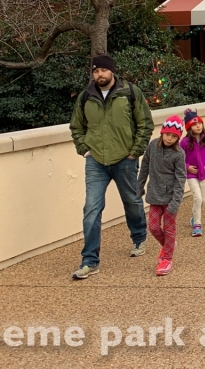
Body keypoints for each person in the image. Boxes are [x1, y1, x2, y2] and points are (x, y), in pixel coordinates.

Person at [69, 54, 153, 280]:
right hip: (95, 160)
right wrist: (84, 150)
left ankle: (139, 237)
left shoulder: (130, 92)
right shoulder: (86, 96)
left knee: (132, 200)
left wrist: (135, 151)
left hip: (124, 159)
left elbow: (145, 123)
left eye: (103, 71)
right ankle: (90, 261)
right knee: (91, 209)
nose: (100, 75)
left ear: (111, 71)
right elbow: (76, 126)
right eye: (96, 71)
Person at [137, 116, 187, 276]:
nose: (170, 138)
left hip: (170, 198)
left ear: (178, 138)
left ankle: (167, 258)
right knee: (152, 227)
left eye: (174, 136)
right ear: (162, 132)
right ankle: (169, 245)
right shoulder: (152, 146)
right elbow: (144, 166)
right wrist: (139, 186)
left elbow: (181, 178)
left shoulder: (179, 154)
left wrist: (175, 202)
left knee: (169, 229)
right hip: (154, 195)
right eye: (167, 135)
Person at [180, 108, 205, 237]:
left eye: (199, 123)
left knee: (202, 200)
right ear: (189, 127)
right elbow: (178, 157)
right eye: (194, 124)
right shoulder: (185, 142)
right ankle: (197, 225)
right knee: (197, 198)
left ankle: (193, 217)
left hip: (203, 174)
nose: (198, 126)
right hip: (191, 175)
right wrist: (187, 167)